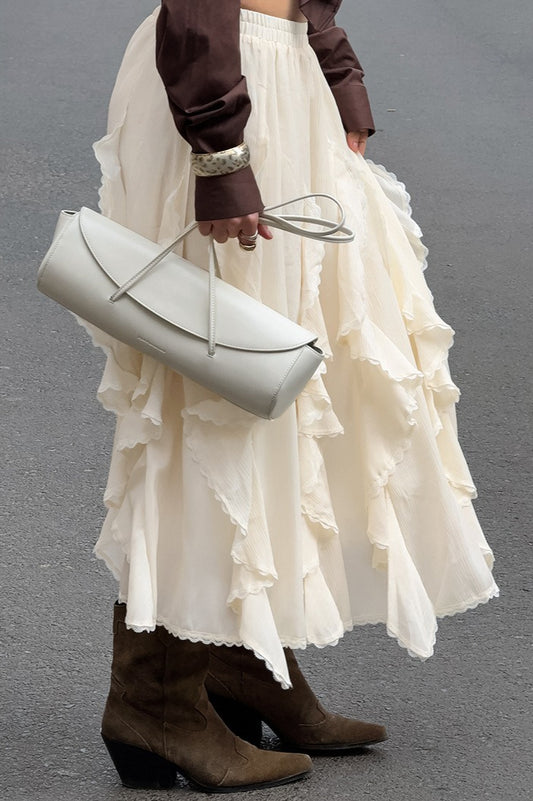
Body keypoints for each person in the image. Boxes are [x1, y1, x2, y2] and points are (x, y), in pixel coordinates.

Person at [79, 0, 499, 792]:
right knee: (217, 396)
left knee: (288, 384)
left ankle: (239, 659)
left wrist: (332, 65)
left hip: (278, 73)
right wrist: (218, 152)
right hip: (223, 80)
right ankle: (153, 695)